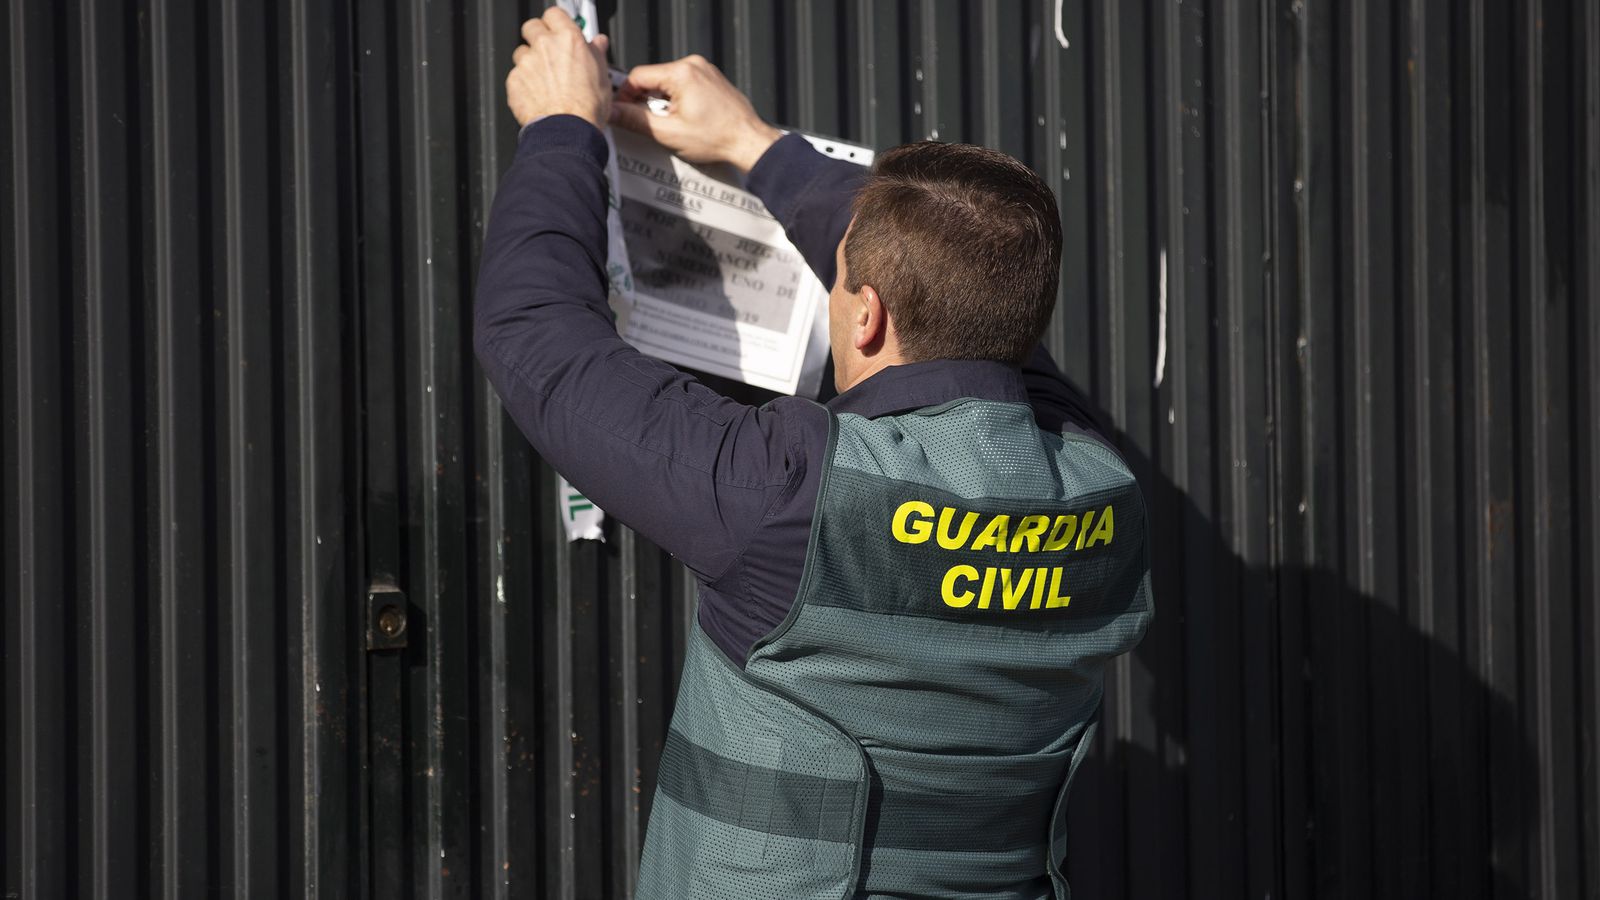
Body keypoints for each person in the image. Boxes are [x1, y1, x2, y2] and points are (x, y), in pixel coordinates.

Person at [477, 9, 1151, 899]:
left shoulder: (792, 497)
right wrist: (755, 144)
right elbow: (976, 288)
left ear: (864, 313)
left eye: (841, 283)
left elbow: (538, 337)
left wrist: (564, 127)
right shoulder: (1103, 495)